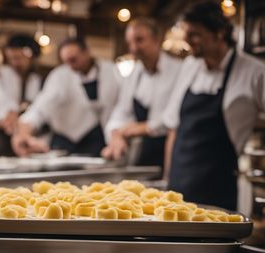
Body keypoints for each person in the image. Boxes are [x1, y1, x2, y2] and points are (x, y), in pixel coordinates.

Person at [164, 1, 265, 210]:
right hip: (178, 184)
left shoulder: (254, 72)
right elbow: (174, 127)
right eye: (186, 33)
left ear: (219, 33)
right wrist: (167, 178)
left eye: (195, 34)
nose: (187, 40)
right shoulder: (189, 66)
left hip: (218, 188)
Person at [12, 36, 121, 157]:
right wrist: (24, 132)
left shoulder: (110, 71)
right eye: (66, 62)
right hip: (65, 140)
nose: (70, 66)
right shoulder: (60, 76)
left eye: (73, 60)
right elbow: (40, 109)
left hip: (98, 139)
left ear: (86, 52)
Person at [102, 18, 182, 168]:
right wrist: (115, 134)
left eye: (139, 40)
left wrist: (146, 127)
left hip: (171, 151)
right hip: (143, 154)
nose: (134, 48)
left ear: (157, 39)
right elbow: (121, 111)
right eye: (130, 42)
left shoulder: (180, 70)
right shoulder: (134, 74)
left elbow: (178, 115)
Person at [1, 34, 43, 113]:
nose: (14, 63)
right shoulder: (2, 75)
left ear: (31, 57)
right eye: (11, 59)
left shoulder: (38, 79)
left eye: (18, 58)